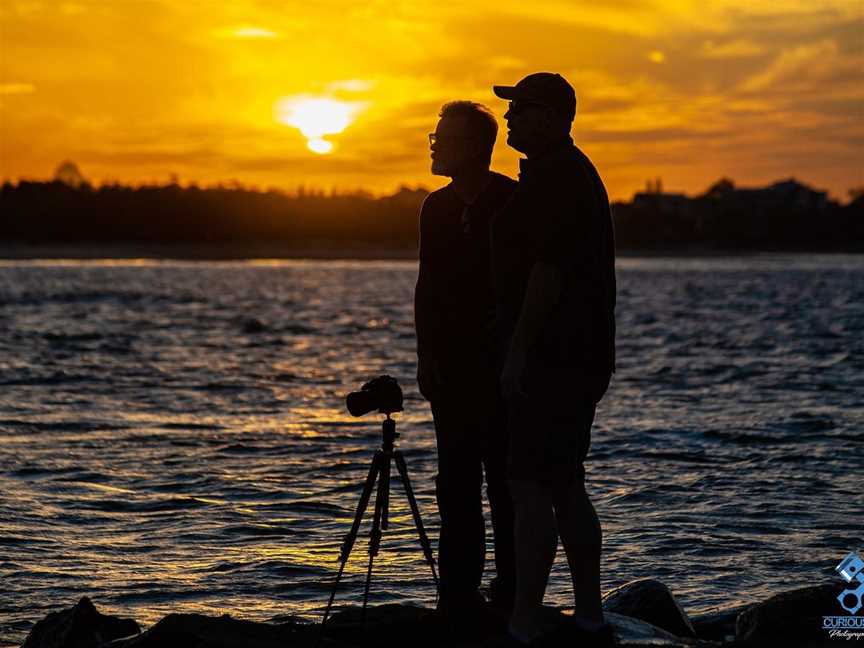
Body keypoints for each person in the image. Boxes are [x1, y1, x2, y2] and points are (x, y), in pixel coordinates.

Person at [488, 72, 617, 646]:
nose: (510, 119)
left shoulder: (559, 178)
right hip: (574, 357)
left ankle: (524, 622)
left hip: (553, 359)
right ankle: (587, 615)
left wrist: (517, 351)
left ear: (553, 116)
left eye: (521, 108)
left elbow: (549, 271)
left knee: (532, 488)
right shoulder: (556, 172)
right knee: (564, 484)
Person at [414, 101, 517, 633]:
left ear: (476, 146)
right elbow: (427, 285)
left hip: (503, 371)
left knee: (505, 482)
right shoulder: (434, 208)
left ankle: (512, 593)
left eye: (443, 136)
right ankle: (457, 595)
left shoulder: (510, 201)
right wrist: (424, 355)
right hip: (450, 371)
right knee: (454, 484)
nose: (433, 143)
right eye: (433, 135)